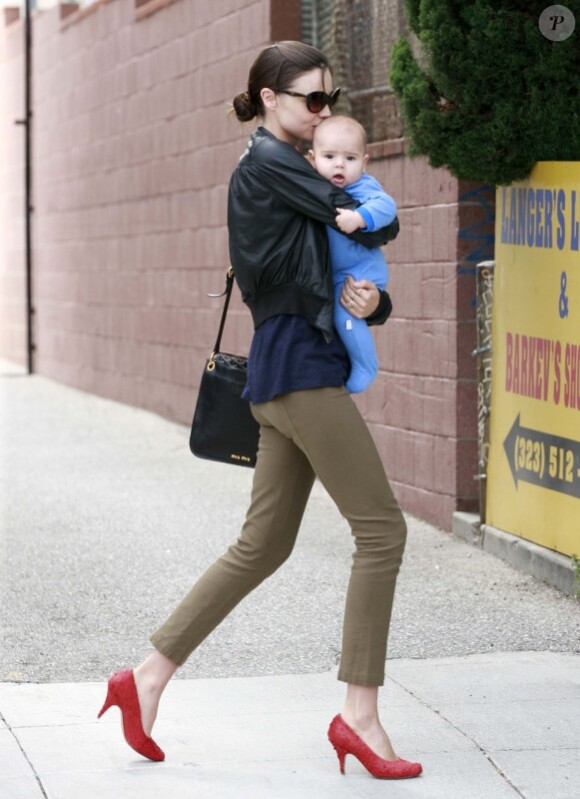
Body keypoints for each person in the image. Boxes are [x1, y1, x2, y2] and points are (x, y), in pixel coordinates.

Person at [98, 41, 422, 781]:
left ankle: (144, 678)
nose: (325, 113)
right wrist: (369, 240)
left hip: (280, 370)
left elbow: (344, 265)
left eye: (329, 98)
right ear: (271, 98)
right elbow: (369, 219)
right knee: (382, 532)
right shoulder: (277, 164)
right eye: (313, 100)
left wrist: (379, 300)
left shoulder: (281, 164)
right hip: (302, 371)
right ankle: (360, 715)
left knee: (263, 544)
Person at [309, 115, 396, 393]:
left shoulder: (363, 187)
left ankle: (365, 366)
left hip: (359, 273)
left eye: (350, 158)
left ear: (364, 162)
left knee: (344, 316)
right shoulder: (310, 187)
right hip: (337, 274)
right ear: (312, 159)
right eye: (330, 156)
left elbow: (387, 207)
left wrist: (360, 217)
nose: (339, 164)